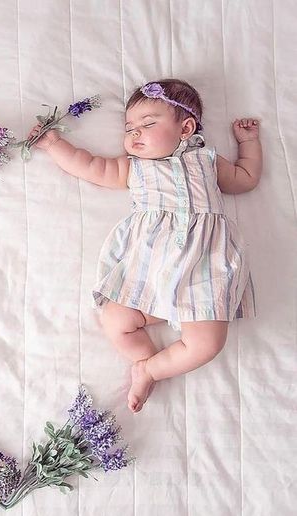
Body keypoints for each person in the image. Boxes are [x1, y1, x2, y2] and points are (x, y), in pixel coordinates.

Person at [28, 78, 262, 413]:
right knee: (115, 319)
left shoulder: (208, 161)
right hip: (152, 268)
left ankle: (151, 370)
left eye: (148, 124)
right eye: (129, 128)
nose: (134, 133)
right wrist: (54, 145)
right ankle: (146, 362)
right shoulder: (133, 167)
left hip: (205, 267)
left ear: (186, 128)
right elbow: (91, 166)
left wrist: (249, 142)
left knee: (208, 344)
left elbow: (246, 179)